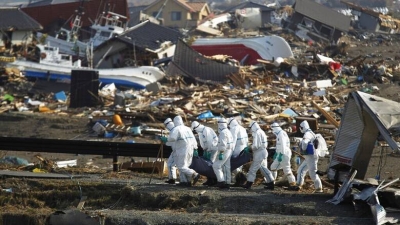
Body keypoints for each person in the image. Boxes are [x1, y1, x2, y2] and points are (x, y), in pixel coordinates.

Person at [168, 115, 201, 187]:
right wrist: (195, 148)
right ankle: (185, 182)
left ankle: (194, 174)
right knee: (186, 166)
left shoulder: (176, 129)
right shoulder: (188, 129)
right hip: (191, 149)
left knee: (181, 166)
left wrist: (166, 139)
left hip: (182, 150)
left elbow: (172, 138)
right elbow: (193, 139)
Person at [242, 121, 275, 190]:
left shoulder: (257, 133)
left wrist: (249, 148)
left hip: (259, 153)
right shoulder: (261, 131)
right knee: (263, 169)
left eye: (250, 128)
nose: (250, 129)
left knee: (252, 169)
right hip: (263, 152)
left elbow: (256, 145)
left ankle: (249, 183)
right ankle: (271, 183)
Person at [292, 120, 323, 193]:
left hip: (310, 157)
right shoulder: (311, 133)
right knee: (301, 170)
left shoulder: (307, 134)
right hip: (311, 156)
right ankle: (298, 185)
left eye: (301, 128)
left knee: (313, 173)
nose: (300, 129)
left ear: (303, 127)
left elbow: (305, 143)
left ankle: (319, 189)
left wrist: (303, 149)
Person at [269, 122, 297, 188]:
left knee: (287, 169)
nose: (272, 131)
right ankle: (272, 183)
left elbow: (283, 145)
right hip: (281, 153)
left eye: (272, 129)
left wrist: (281, 154)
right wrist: (277, 153)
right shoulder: (280, 134)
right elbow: (279, 145)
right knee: (273, 167)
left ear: (275, 128)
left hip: (284, 154)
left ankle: (293, 184)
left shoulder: (281, 134)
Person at [191, 121, 219, 186]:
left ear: (196, 128)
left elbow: (210, 142)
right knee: (206, 165)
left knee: (211, 164)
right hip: (208, 150)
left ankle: (214, 180)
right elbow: (202, 142)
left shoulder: (206, 130)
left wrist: (208, 150)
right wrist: (204, 149)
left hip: (213, 149)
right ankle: (210, 179)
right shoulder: (201, 132)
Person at [212, 118, 234, 189]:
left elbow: (223, 144)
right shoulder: (228, 131)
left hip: (224, 151)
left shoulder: (223, 133)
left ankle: (221, 182)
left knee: (216, 166)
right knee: (226, 167)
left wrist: (221, 152)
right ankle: (227, 183)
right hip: (229, 150)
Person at [227, 117, 249, 184]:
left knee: (233, 164)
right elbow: (247, 140)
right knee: (239, 165)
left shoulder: (234, 129)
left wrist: (230, 150)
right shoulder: (242, 128)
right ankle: (239, 180)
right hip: (243, 148)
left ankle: (241, 178)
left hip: (236, 148)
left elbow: (233, 141)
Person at [162, 118, 179, 184]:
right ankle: (172, 178)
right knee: (170, 164)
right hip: (175, 150)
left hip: (177, 151)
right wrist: (166, 140)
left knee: (172, 164)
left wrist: (166, 140)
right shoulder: (173, 130)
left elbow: (172, 141)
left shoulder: (174, 131)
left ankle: (173, 179)